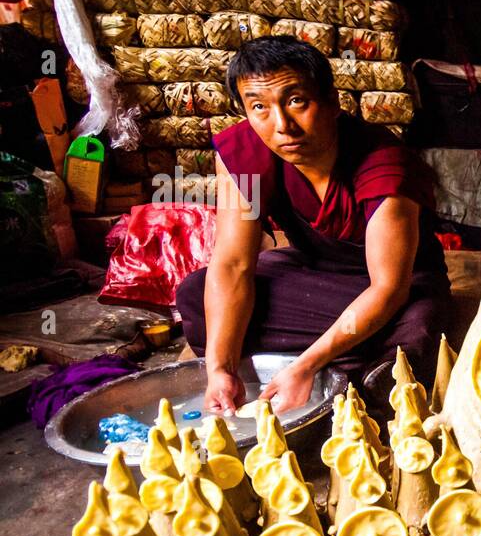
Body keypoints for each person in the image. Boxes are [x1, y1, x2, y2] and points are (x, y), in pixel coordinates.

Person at [176, 36, 448, 415]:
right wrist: (220, 369)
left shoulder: (385, 163)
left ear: (333, 102)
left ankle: (316, 361)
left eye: (296, 101)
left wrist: (303, 366)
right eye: (259, 107)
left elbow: (387, 288)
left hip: (396, 283)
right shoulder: (245, 151)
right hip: (316, 274)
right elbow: (233, 264)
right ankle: (351, 364)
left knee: (416, 328)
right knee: (196, 293)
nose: (282, 125)